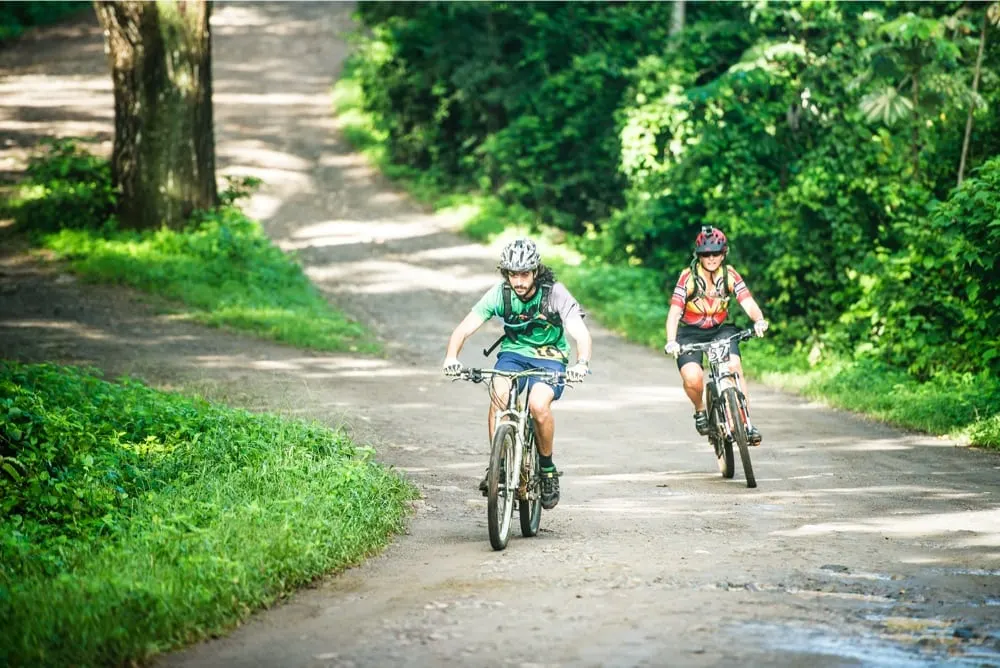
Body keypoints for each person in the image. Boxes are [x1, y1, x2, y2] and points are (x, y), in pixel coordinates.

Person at [443, 238, 593, 510]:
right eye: (513, 274)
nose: (519, 280)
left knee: (538, 405)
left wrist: (581, 362)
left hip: (550, 359)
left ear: (536, 271)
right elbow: (464, 328)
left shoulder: (554, 293)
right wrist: (451, 357)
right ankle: (498, 465)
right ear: (506, 273)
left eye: (525, 274)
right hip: (513, 356)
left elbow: (579, 331)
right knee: (498, 397)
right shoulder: (500, 294)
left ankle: (546, 470)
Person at [664, 226, 769, 443]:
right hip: (690, 334)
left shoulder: (729, 275)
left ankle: (745, 424)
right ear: (698, 255)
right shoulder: (688, 277)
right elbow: (674, 312)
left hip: (720, 330)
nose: (711, 258)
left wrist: (758, 320)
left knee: (733, 367)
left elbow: (747, 302)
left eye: (716, 253)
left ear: (724, 253)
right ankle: (701, 409)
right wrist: (671, 341)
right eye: (705, 254)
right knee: (693, 378)